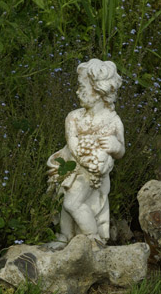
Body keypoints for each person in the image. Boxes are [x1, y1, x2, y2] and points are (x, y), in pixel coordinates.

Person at [46, 59, 125, 247]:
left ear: (99, 91)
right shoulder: (73, 117)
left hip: (94, 171)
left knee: (72, 204)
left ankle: (91, 237)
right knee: (65, 200)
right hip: (72, 164)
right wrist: (83, 158)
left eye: (82, 87)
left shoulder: (113, 121)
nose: (77, 91)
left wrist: (115, 146)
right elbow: (72, 141)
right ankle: (66, 235)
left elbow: (121, 150)